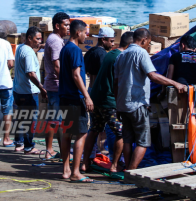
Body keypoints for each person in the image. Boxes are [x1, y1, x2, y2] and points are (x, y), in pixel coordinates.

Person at [114, 28, 186, 170]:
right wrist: (175, 83)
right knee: (143, 141)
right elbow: (153, 76)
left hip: (123, 104)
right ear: (144, 40)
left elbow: (115, 83)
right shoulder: (141, 53)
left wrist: (117, 104)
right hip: (137, 104)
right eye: (148, 43)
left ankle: (127, 169)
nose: (148, 45)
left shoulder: (120, 56)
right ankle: (132, 171)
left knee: (128, 140)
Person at [81, 32, 134, 174]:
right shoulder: (122, 57)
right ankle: (115, 166)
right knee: (121, 132)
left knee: (94, 129)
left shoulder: (111, 53)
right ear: (129, 45)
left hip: (96, 98)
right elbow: (119, 82)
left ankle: (85, 162)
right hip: (108, 101)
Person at [59, 20, 94, 182]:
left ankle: (66, 170)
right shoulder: (75, 51)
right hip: (74, 98)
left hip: (64, 97)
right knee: (81, 134)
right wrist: (87, 96)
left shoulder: (65, 49)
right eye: (85, 32)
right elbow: (76, 75)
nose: (86, 36)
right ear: (77, 32)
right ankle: (75, 172)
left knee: (66, 133)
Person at [13, 26, 48, 154]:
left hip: (18, 90)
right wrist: (42, 88)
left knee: (20, 118)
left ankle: (19, 144)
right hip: (29, 92)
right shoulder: (28, 52)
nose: (39, 41)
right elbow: (31, 74)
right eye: (37, 39)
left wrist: (39, 47)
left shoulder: (21, 48)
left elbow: (30, 52)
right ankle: (29, 147)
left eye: (40, 39)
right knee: (30, 120)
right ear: (29, 38)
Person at [158, 35, 196, 102]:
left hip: (179, 96)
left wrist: (162, 93)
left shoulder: (175, 56)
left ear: (183, 45)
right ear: (194, 49)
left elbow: (168, 79)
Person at [44, 12, 70, 159]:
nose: (68, 28)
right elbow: (56, 64)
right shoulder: (55, 41)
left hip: (53, 84)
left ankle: (54, 150)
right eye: (65, 25)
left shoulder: (55, 39)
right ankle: (50, 151)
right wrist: (64, 83)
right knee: (55, 120)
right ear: (57, 26)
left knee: (55, 120)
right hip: (55, 85)